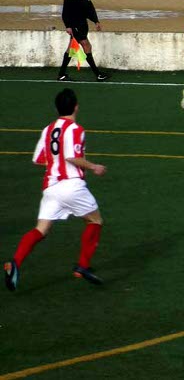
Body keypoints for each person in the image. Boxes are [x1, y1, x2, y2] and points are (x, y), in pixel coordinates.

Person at [4, 88, 107, 291]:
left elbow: (38, 159)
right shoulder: (76, 129)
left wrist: (55, 164)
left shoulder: (48, 129)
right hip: (72, 185)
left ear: (57, 108)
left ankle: (15, 262)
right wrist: (94, 167)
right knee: (95, 220)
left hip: (51, 187)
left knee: (40, 229)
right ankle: (83, 266)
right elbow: (72, 156)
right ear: (76, 107)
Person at [58, 0, 108, 82]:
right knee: (86, 45)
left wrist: (96, 21)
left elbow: (89, 7)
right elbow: (66, 9)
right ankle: (98, 74)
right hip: (74, 24)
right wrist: (68, 25)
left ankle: (61, 74)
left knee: (71, 48)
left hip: (82, 23)